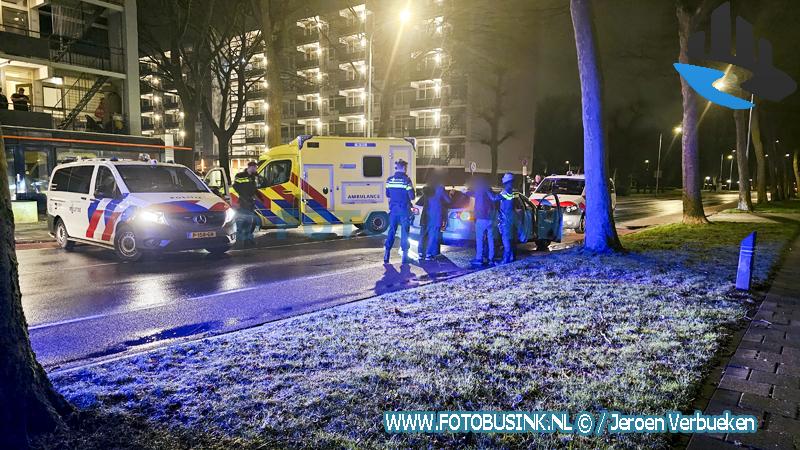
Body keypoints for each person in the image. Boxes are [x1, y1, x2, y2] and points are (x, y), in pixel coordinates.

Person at [384, 159, 414, 264]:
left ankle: (386, 254)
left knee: (391, 231)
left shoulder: (389, 180)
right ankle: (405, 257)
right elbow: (412, 196)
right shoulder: (406, 180)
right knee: (405, 233)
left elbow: (387, 194)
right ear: (404, 168)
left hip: (393, 210)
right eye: (406, 168)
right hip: (404, 210)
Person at [467, 176, 498, 266]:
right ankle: (491, 258)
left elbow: (470, 193)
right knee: (490, 239)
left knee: (479, 239)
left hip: (481, 218)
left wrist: (465, 191)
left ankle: (479, 258)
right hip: (490, 219)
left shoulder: (479, 191)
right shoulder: (490, 191)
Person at [422, 173, 451, 260]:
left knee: (430, 234)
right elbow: (447, 200)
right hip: (436, 214)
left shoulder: (428, 188)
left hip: (429, 213)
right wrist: (450, 194)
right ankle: (429, 254)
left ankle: (429, 253)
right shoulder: (440, 188)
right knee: (433, 235)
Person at [232, 161, 260, 248]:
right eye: (255, 167)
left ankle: (247, 240)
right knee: (242, 222)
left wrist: (259, 199)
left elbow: (254, 189)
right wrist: (243, 196)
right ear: (251, 167)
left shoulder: (253, 177)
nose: (256, 169)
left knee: (250, 222)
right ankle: (240, 240)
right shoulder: (240, 175)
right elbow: (235, 186)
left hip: (250, 202)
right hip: (243, 202)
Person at [498, 173, 517, 264]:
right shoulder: (511, 191)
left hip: (506, 219)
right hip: (510, 218)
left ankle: (505, 260)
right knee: (510, 239)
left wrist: (486, 191)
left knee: (506, 240)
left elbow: (494, 198)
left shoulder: (506, 192)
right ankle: (512, 257)